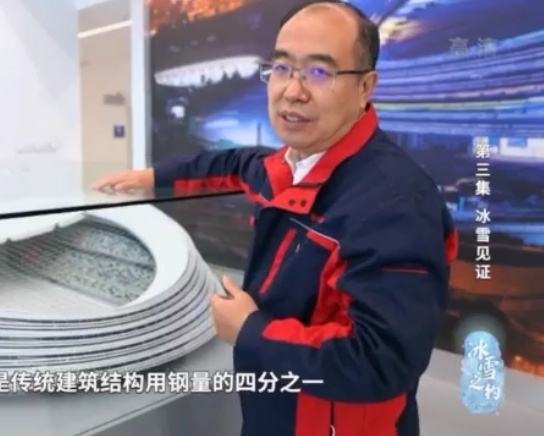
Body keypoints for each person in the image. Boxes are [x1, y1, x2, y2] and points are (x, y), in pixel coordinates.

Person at [92, 1, 457, 435]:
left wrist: (251, 331)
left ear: (365, 87)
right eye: (282, 68)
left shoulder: (395, 204)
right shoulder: (290, 165)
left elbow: (380, 360)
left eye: (319, 72)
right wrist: (151, 178)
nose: (292, 91)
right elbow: (231, 163)